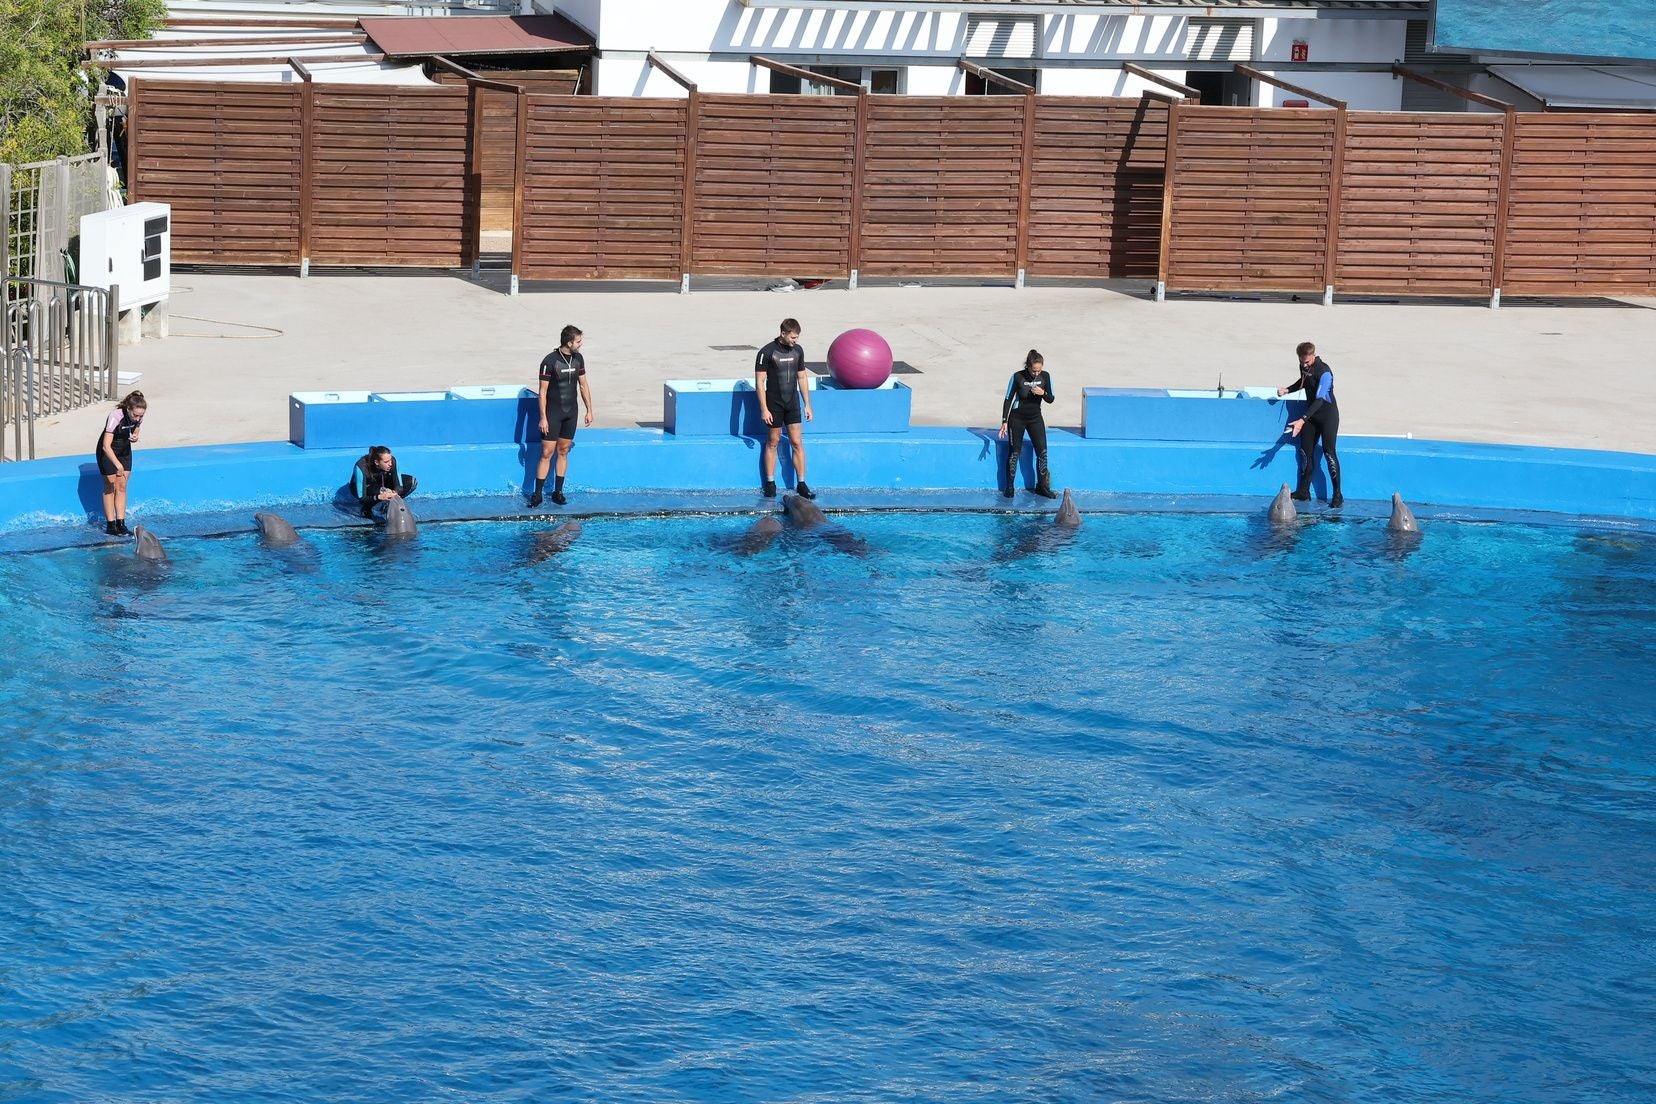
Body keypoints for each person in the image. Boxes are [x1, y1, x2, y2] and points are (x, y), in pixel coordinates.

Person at [531, 324, 594, 507]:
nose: (580, 344)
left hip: (570, 412)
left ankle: (558, 492)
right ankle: (537, 494)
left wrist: (589, 409)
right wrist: (543, 417)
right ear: (569, 342)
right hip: (552, 413)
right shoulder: (549, 361)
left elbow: (583, 385)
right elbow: (542, 392)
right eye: (578, 341)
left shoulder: (578, 359)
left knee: (563, 451)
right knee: (546, 452)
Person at [755, 317, 815, 499]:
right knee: (773, 442)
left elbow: (802, 378)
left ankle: (802, 484)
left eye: (797, 338)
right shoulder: (767, 352)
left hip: (792, 403)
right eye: (793, 338)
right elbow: (759, 381)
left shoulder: (798, 351)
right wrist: (764, 408)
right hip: (774, 404)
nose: (795, 341)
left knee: (797, 442)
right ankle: (770, 482)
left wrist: (807, 404)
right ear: (783, 334)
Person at [1277, 340, 1342, 507]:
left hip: (1327, 416)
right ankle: (1303, 492)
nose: (1304, 365)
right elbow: (1304, 382)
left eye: (1307, 362)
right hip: (1310, 417)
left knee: (1329, 453)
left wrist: (1302, 420)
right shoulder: (1304, 366)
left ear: (1314, 355)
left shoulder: (1325, 372)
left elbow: (1320, 400)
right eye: (1301, 362)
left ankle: (1337, 494)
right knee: (1305, 452)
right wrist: (1288, 389)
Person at [998, 350, 1057, 499]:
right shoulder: (1018, 376)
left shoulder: (1046, 376)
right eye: (1033, 370)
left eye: (1039, 370)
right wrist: (1004, 421)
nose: (1037, 373)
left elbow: (1051, 399)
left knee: (1042, 452)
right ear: (1028, 366)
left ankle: (1042, 487)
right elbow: (1007, 399)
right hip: (1017, 419)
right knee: (1014, 452)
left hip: (1035, 418)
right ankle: (1010, 487)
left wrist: (1042, 393)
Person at [95, 389, 147, 536]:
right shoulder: (115, 416)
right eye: (135, 415)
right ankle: (110, 525)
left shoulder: (138, 416)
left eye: (140, 416)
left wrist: (136, 434)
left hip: (124, 449)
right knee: (110, 486)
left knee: (122, 486)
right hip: (108, 452)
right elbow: (106, 446)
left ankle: (121, 523)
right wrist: (117, 464)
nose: (137, 418)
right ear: (128, 408)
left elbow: (137, 428)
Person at [353, 446, 417, 518]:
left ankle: (388, 504)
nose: (390, 464)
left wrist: (395, 493)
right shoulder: (361, 466)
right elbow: (361, 497)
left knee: (411, 482)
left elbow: (399, 485)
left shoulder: (392, 462)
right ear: (376, 462)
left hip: (382, 483)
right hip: (365, 487)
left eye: (390, 459)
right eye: (386, 462)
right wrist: (378, 497)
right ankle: (367, 508)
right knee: (381, 490)